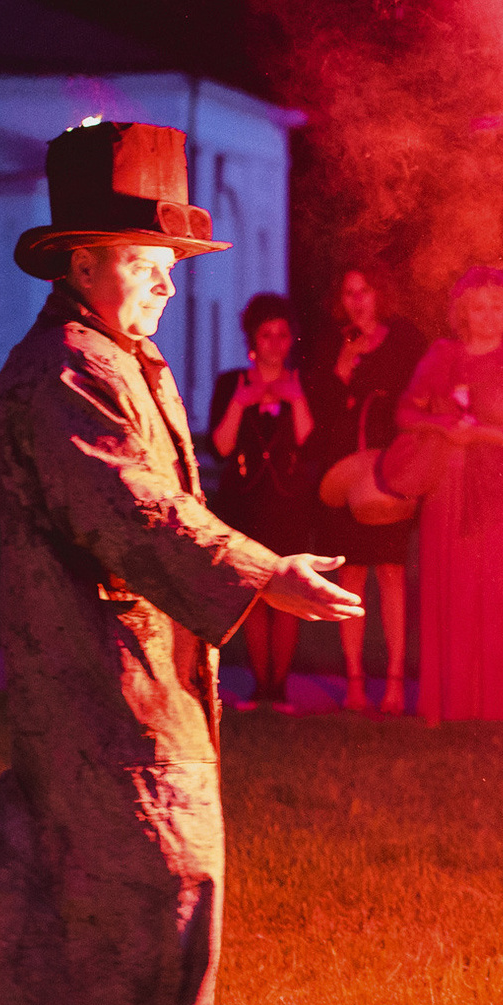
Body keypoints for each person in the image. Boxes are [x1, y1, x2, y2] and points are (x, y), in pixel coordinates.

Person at [0, 120, 362, 1005]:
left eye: (169, 265)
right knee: (133, 848)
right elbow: (131, 510)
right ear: (85, 262)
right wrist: (263, 575)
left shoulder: (116, 356)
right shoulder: (65, 370)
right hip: (89, 660)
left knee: (117, 838)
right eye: (149, 264)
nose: (168, 285)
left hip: (128, 656)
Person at [399, 268, 503, 727]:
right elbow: (405, 413)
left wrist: (484, 434)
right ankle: (451, 703)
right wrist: (442, 426)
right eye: (478, 308)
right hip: (450, 485)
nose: (487, 317)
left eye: (497, 308)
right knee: (455, 587)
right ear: (462, 312)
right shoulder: (441, 357)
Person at [311, 264, 428, 714]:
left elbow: (419, 396)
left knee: (392, 572)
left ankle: (395, 684)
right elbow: (318, 414)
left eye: (365, 291)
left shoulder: (404, 340)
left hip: (391, 470)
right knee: (352, 574)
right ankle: (355, 683)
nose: (357, 301)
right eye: (349, 292)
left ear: (380, 295)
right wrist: (341, 368)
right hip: (345, 473)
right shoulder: (330, 343)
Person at [210, 294, 318, 712]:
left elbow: (309, 441)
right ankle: (260, 686)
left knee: (287, 592)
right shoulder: (230, 383)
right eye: (266, 334)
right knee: (254, 593)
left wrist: (295, 398)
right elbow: (220, 445)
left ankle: (280, 686)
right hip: (244, 503)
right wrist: (242, 401)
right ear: (252, 338)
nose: (274, 342)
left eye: (282, 335)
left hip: (288, 502)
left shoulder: (301, 381)